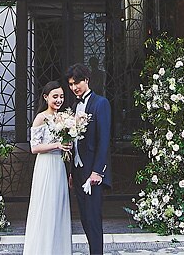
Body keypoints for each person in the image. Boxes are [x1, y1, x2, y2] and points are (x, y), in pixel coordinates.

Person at [23, 80, 72, 255]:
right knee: (46, 206)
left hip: (59, 166)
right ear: (46, 97)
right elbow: (34, 148)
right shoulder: (41, 117)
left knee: (59, 206)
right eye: (55, 96)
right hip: (45, 165)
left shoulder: (62, 118)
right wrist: (57, 145)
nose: (59, 100)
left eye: (61, 96)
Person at [67, 62, 111, 255]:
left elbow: (104, 140)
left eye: (77, 82)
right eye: (70, 84)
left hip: (92, 171)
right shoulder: (74, 106)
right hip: (77, 170)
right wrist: (71, 171)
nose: (74, 87)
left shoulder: (100, 103)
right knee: (84, 217)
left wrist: (97, 171)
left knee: (93, 218)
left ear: (86, 80)